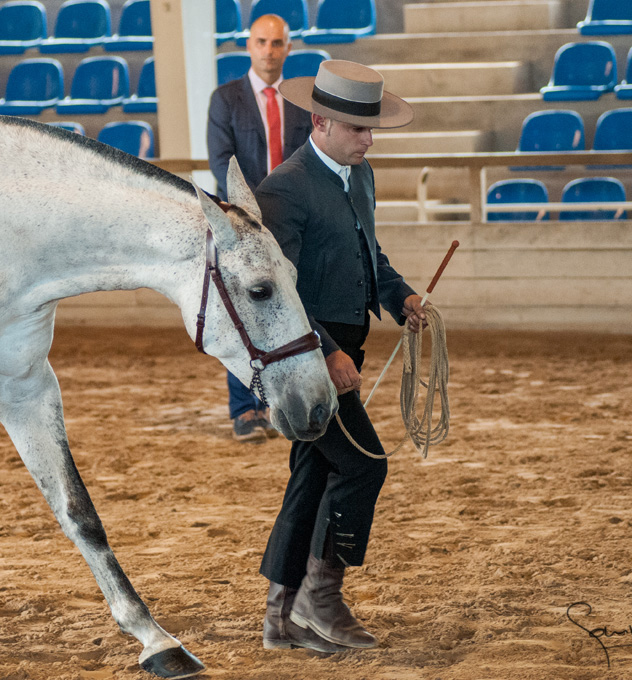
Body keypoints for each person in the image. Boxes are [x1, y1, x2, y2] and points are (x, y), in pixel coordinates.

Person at [254, 60, 428, 653]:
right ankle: (318, 602)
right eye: (359, 129)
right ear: (321, 121)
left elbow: (368, 251)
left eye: (371, 129)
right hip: (305, 358)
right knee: (362, 464)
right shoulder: (284, 186)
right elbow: (281, 291)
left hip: (342, 349)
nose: (369, 139)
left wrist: (400, 294)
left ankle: (281, 617)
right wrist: (326, 353)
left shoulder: (360, 175)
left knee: (314, 474)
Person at [207, 13, 313, 442]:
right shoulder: (225, 98)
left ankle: (277, 402)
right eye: (261, 42)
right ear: (248, 46)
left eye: (277, 43)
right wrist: (253, 211)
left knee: (287, 311)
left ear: (288, 48)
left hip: (290, 220)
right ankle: (244, 410)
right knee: (244, 315)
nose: (269, 51)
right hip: (244, 225)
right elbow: (220, 160)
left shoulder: (303, 101)